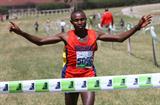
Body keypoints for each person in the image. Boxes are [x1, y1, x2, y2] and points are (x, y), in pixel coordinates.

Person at [9, 10, 152, 105]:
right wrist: (21, 33)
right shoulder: (65, 36)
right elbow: (40, 42)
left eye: (82, 19)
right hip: (70, 76)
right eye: (77, 20)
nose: (80, 22)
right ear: (71, 22)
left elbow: (119, 38)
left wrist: (137, 27)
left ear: (86, 20)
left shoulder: (94, 34)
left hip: (88, 75)